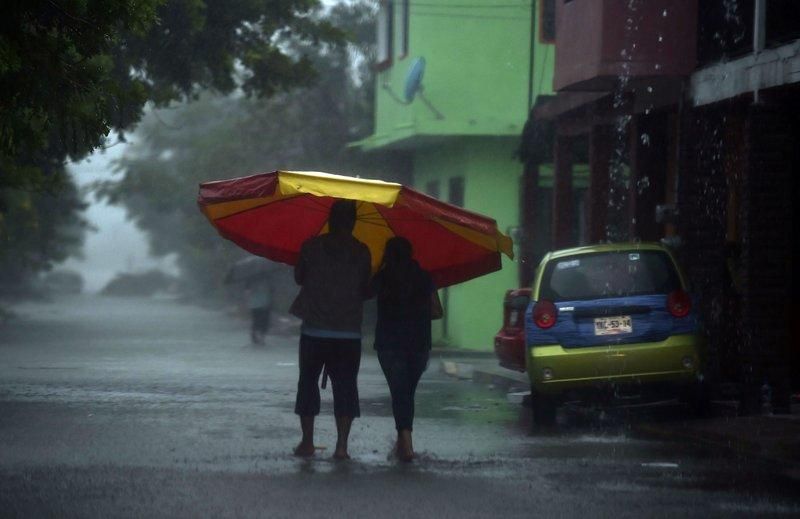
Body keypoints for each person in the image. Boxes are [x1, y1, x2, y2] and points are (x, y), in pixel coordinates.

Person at [289, 200, 371, 460]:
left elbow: (299, 277)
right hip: (348, 333)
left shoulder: (311, 246)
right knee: (346, 387)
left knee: (308, 384)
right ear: (354, 222)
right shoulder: (362, 251)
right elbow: (366, 287)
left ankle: (307, 442)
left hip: (314, 330)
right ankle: (342, 447)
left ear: (330, 220)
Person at [371, 236, 442, 462]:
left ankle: (406, 444)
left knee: (399, 392)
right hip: (418, 344)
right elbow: (437, 311)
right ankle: (403, 443)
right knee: (406, 393)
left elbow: (363, 294)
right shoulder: (423, 277)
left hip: (390, 344)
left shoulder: (383, 278)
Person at [247, 273, 272, 345]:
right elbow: (271, 291)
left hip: (255, 304)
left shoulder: (251, 278)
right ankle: (261, 338)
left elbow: (247, 292)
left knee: (256, 320)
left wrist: (248, 301)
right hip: (265, 303)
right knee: (264, 321)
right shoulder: (267, 278)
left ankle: (255, 334)